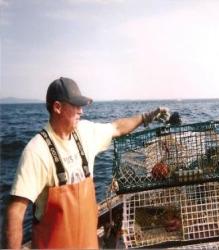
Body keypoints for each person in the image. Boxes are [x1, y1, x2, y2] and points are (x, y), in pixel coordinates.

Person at [5, 77, 170, 249]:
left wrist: (145, 117)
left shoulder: (85, 132)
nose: (81, 111)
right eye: (76, 105)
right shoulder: (36, 151)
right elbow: (15, 212)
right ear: (57, 107)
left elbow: (117, 127)